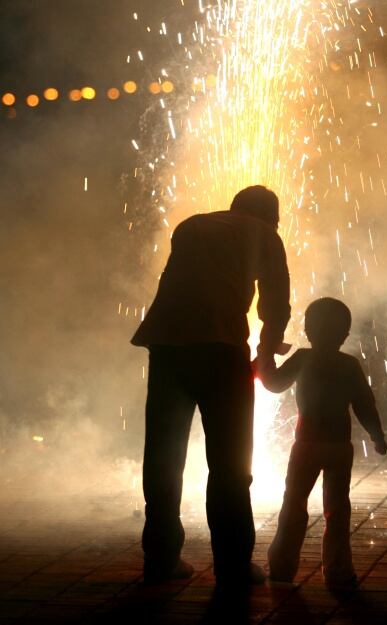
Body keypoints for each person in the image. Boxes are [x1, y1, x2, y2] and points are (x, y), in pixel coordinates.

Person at [131, 185, 291, 585]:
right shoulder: (265, 234)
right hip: (221, 350)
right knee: (231, 465)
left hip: (168, 347)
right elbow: (275, 304)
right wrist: (266, 353)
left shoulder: (192, 225)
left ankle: (161, 560)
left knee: (164, 458)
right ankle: (233, 566)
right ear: (271, 216)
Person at [256, 296, 387, 588]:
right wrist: (376, 434)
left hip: (306, 444)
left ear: (307, 331)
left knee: (293, 504)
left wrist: (265, 358)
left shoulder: (303, 358)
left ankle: (281, 567)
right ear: (345, 334)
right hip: (339, 446)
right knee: (337, 509)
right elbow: (365, 404)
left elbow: (275, 384)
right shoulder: (349, 365)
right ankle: (339, 571)